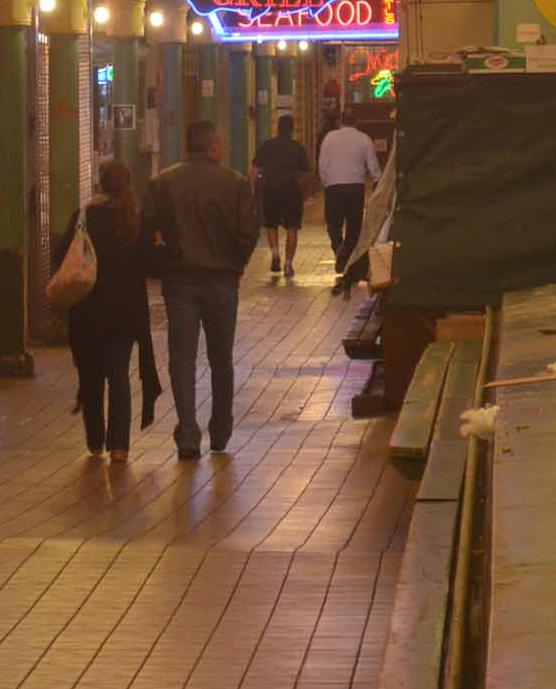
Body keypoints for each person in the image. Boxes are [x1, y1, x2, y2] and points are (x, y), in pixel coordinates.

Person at [148, 118, 259, 460]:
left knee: (182, 358)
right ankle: (221, 428)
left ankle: (188, 433)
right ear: (214, 146)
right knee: (221, 357)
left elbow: (147, 228)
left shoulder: (162, 183)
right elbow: (248, 232)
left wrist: (163, 261)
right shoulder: (236, 184)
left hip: (179, 281)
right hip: (222, 280)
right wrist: (236, 263)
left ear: (187, 146)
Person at [56, 160, 153, 462]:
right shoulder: (136, 219)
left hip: (87, 310)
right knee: (119, 378)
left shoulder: (83, 216)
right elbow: (149, 263)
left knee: (91, 377)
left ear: (99, 184)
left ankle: (95, 440)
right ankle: (120, 446)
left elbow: (62, 256)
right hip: (125, 312)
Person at [318, 110, 381, 273]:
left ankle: (339, 248)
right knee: (354, 224)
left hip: (334, 187)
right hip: (355, 187)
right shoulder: (364, 139)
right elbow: (373, 165)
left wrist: (326, 183)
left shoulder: (329, 138)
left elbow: (322, 164)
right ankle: (347, 257)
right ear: (357, 121)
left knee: (333, 223)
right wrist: (376, 181)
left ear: (341, 121)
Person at [250, 114, 311, 279]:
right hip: (291, 190)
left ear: (277, 127)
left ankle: (276, 254)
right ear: (292, 129)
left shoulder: (267, 145)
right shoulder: (298, 147)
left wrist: (253, 191)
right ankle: (289, 264)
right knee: (292, 227)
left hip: (270, 189)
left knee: (271, 225)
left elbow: (255, 169)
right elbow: (305, 174)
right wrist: (305, 193)